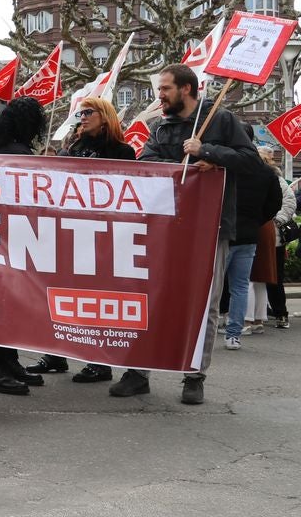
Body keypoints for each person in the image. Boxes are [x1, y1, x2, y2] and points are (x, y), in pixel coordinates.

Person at [109, 63, 260, 404]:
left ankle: (194, 376)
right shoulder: (160, 127)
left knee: (205, 303)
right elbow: (146, 163)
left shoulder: (221, 120)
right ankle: (138, 370)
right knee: (148, 298)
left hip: (211, 228)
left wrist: (209, 153)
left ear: (187, 89)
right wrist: (182, 164)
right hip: (164, 228)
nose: (159, 95)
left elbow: (250, 160)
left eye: (164, 89)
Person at [25, 97, 135, 383]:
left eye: (88, 112)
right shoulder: (73, 147)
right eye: (80, 113)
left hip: (102, 235)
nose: (82, 117)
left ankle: (99, 362)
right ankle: (56, 354)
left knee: (96, 300)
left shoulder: (122, 151)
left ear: (105, 116)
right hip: (69, 231)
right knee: (59, 295)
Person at [0, 96, 50, 395]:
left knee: (6, 304)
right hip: (15, 238)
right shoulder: (17, 153)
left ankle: (9, 362)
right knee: (9, 306)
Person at [226, 136, 282, 346]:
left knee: (213, 286)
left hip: (224, 233)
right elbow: (275, 203)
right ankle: (234, 334)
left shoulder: (229, 169)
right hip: (250, 234)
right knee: (240, 286)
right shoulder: (267, 173)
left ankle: (205, 332)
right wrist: (258, 220)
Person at [259, 148, 295, 329]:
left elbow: (289, 202)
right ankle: (263, 312)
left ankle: (280, 313)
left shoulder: (278, 181)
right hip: (259, 234)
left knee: (274, 277)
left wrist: (276, 221)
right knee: (260, 277)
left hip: (274, 236)